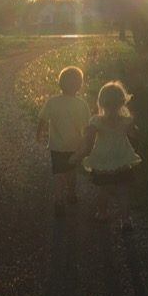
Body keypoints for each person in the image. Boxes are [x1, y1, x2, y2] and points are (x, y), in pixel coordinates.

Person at [71, 80, 141, 229]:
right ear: (123, 101)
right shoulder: (126, 121)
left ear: (101, 102)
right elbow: (134, 136)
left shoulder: (96, 120)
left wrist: (79, 154)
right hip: (122, 157)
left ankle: (102, 213)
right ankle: (126, 220)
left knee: (104, 189)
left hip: (103, 158)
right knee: (123, 191)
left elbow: (88, 141)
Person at [36, 66, 91, 216]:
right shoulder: (82, 105)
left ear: (60, 83)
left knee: (58, 174)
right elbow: (88, 127)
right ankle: (71, 193)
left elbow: (42, 119)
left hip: (57, 146)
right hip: (75, 146)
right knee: (71, 172)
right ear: (79, 85)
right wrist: (87, 143)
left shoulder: (53, 102)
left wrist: (38, 134)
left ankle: (58, 200)